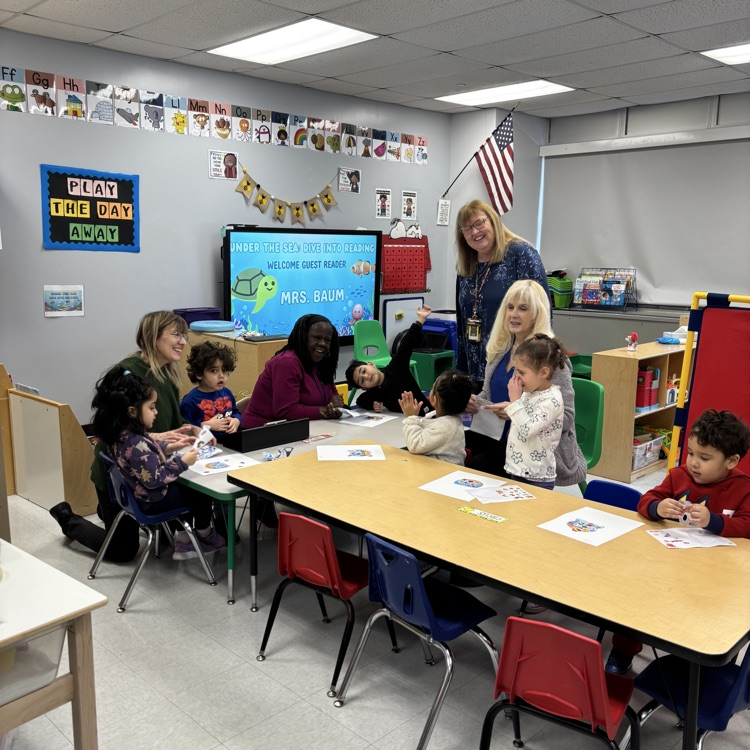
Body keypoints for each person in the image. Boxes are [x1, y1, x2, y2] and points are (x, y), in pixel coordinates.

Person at [605, 408, 750, 675]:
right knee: (636, 597)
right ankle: (623, 649)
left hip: (714, 575)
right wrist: (658, 508)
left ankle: (702, 662)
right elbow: (645, 501)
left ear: (731, 461)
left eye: (704, 458)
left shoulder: (743, 487)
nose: (693, 463)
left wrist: (714, 521)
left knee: (709, 615)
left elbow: (747, 525)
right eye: (691, 453)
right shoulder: (678, 475)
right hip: (667, 566)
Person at [49, 311, 200, 562]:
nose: (184, 341)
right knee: (123, 551)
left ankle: (109, 512)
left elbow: (172, 422)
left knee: (167, 531)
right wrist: (156, 437)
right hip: (118, 474)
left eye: (184, 335)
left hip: (147, 470)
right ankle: (68, 518)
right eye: (176, 334)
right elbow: (114, 432)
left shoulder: (168, 373)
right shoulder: (129, 374)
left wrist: (190, 428)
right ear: (153, 337)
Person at [92, 365, 225, 560]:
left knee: (187, 487)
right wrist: (183, 461)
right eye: (151, 407)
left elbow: (144, 453)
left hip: (137, 498)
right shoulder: (135, 442)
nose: (156, 412)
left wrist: (169, 447)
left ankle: (185, 537)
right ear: (131, 411)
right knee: (201, 493)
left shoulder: (122, 436)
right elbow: (155, 479)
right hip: (152, 500)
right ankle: (200, 536)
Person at [466, 280, 586, 487]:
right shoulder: (499, 351)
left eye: (523, 308)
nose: (514, 314)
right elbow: (489, 395)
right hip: (497, 435)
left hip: (533, 448)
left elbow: (565, 418)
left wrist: (516, 410)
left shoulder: (549, 359)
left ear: (537, 313)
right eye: (510, 307)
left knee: (478, 466)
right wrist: (473, 402)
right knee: (453, 445)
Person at [454, 199, 549, 391]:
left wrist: (532, 367)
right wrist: (462, 377)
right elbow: (462, 324)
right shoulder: (466, 266)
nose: (475, 232)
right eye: (467, 228)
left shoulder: (521, 254)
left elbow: (542, 315)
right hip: (475, 370)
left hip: (512, 369)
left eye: (479, 223)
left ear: (494, 221)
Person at [241, 314, 343, 427]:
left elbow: (332, 395)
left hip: (303, 429)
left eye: (327, 340)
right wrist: (324, 410)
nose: (322, 343)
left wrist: (336, 405)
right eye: (317, 338)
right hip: (258, 431)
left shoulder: (322, 362)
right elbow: (285, 411)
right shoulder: (287, 362)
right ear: (304, 337)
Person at [502, 334, 566, 489]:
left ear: (544, 373)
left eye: (522, 373)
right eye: (516, 371)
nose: (516, 378)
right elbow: (523, 418)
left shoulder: (552, 400)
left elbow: (528, 429)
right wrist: (511, 407)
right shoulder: (529, 392)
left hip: (537, 477)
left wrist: (515, 402)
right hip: (517, 469)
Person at [345, 305, 431, 417]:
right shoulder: (375, 392)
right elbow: (360, 400)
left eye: (364, 371)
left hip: (425, 414)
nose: (366, 377)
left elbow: (407, 344)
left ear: (370, 364)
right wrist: (373, 404)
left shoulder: (396, 368)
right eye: (362, 381)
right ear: (364, 388)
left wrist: (420, 319)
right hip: (402, 423)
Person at [399, 370, 472, 466]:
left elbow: (415, 444)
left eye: (432, 388)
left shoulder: (447, 426)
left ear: (435, 399)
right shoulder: (445, 420)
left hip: (444, 474)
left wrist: (411, 417)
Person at [180, 341, 241, 442]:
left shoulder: (227, 393)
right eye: (214, 371)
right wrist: (206, 425)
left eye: (224, 370)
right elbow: (183, 430)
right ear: (199, 374)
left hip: (230, 444)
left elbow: (236, 412)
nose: (221, 375)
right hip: (204, 447)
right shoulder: (190, 401)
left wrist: (236, 421)